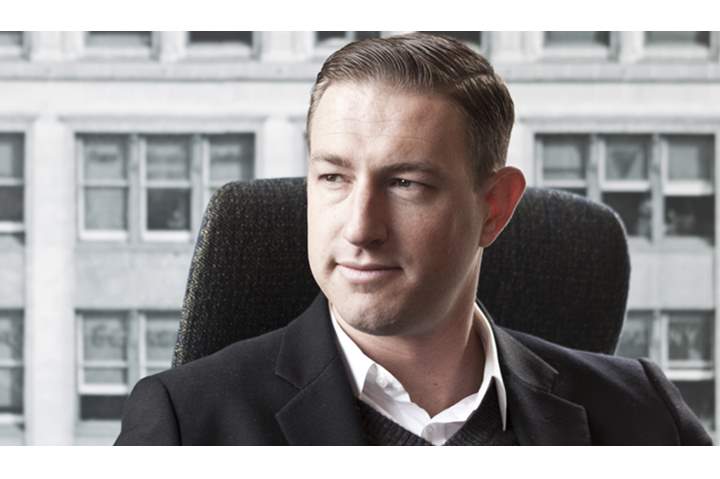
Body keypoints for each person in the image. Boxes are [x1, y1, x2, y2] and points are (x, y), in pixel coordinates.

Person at [115, 33, 712, 446]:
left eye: (406, 183)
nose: (359, 228)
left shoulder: (644, 414)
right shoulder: (184, 424)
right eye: (333, 178)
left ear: (494, 207)